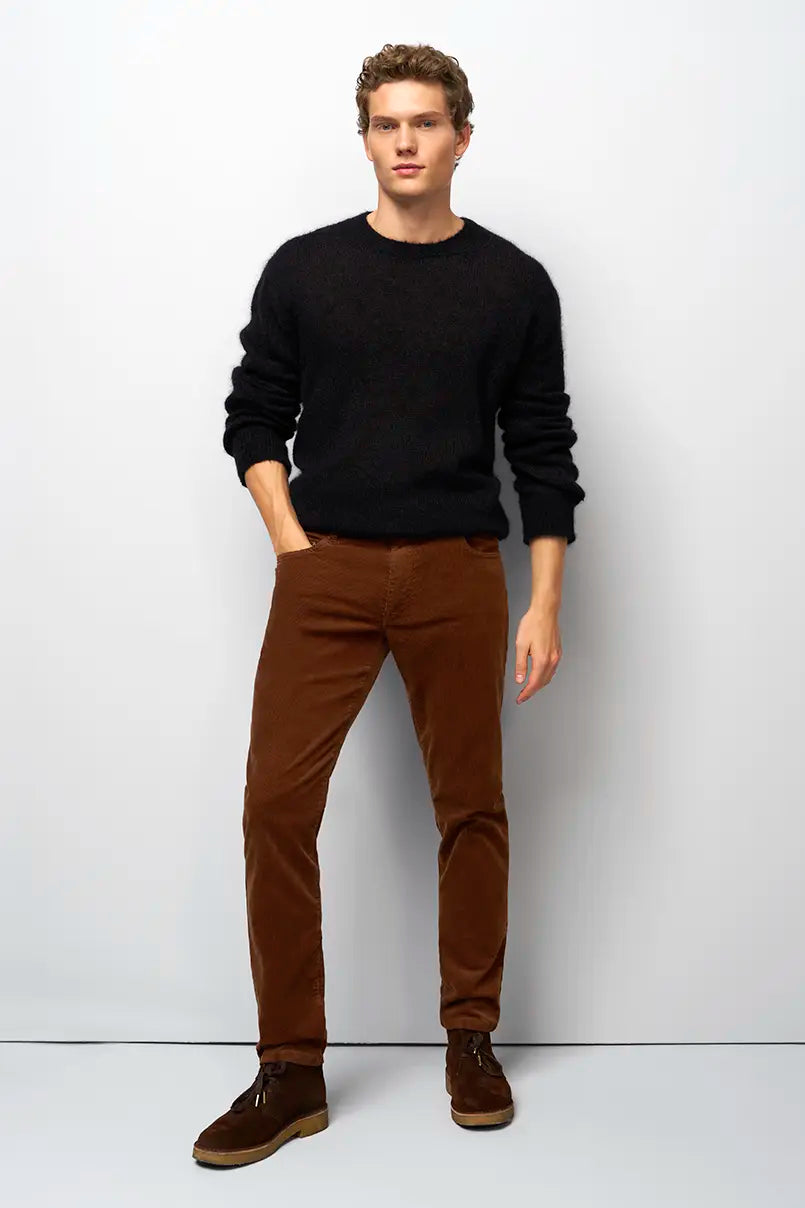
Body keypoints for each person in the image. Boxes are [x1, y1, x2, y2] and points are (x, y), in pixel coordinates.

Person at [192, 40, 585, 1167]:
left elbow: (542, 447)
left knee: (471, 807)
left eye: (424, 122)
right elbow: (254, 412)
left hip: (457, 569)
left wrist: (542, 600)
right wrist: (292, 544)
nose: (404, 142)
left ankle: (470, 1039)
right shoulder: (305, 270)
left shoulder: (512, 282)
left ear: (461, 136)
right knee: (275, 805)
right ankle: (290, 1069)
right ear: (364, 138)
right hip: (327, 567)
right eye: (385, 123)